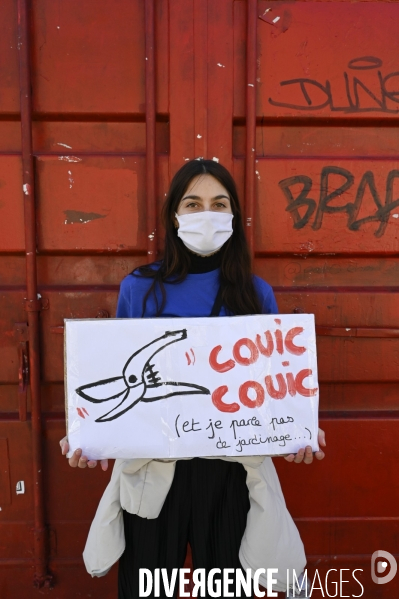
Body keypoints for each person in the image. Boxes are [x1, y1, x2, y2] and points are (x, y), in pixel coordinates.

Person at [60, 159, 326, 599]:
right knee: (148, 591)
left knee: (225, 591)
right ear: (175, 216)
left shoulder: (255, 293)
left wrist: (296, 434)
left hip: (229, 478)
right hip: (151, 475)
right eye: (194, 203)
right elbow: (119, 385)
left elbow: (273, 395)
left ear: (234, 217)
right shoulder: (139, 288)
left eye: (219, 204)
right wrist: (87, 437)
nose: (208, 214)